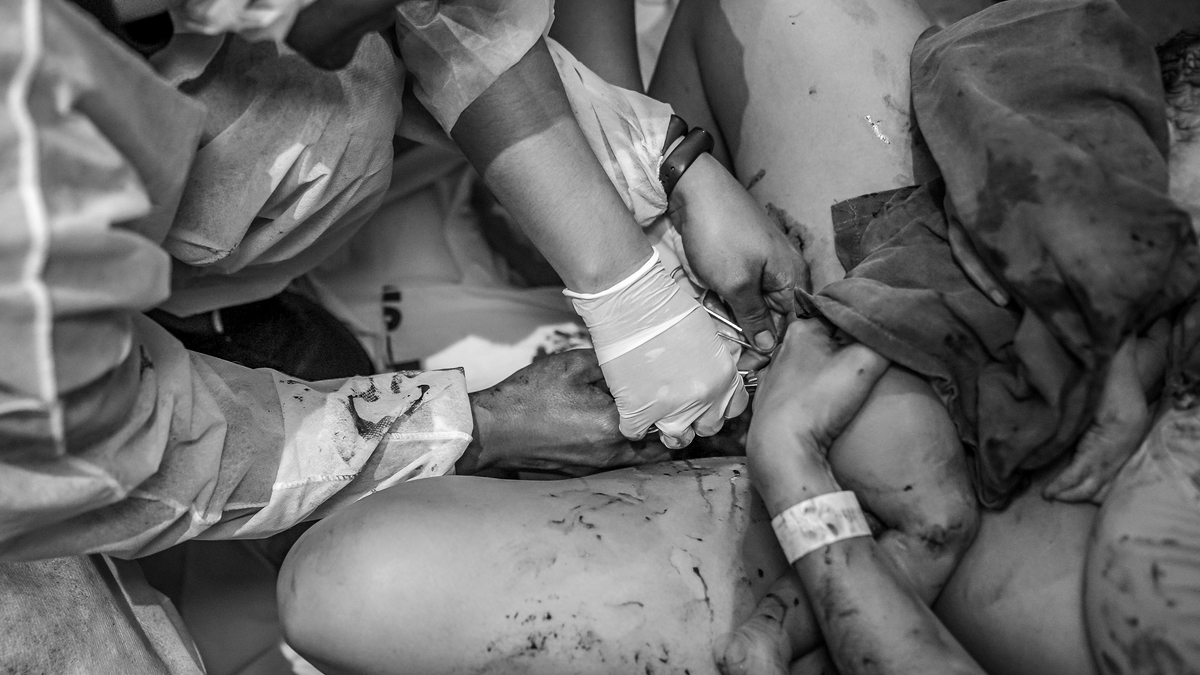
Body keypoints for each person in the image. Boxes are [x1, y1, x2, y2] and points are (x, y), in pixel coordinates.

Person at [279, 1, 1200, 674]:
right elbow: (1056, 52)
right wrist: (1114, 295)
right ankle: (613, 258)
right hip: (981, 336)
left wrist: (801, 487)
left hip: (885, 575)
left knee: (345, 585)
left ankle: (636, 315)